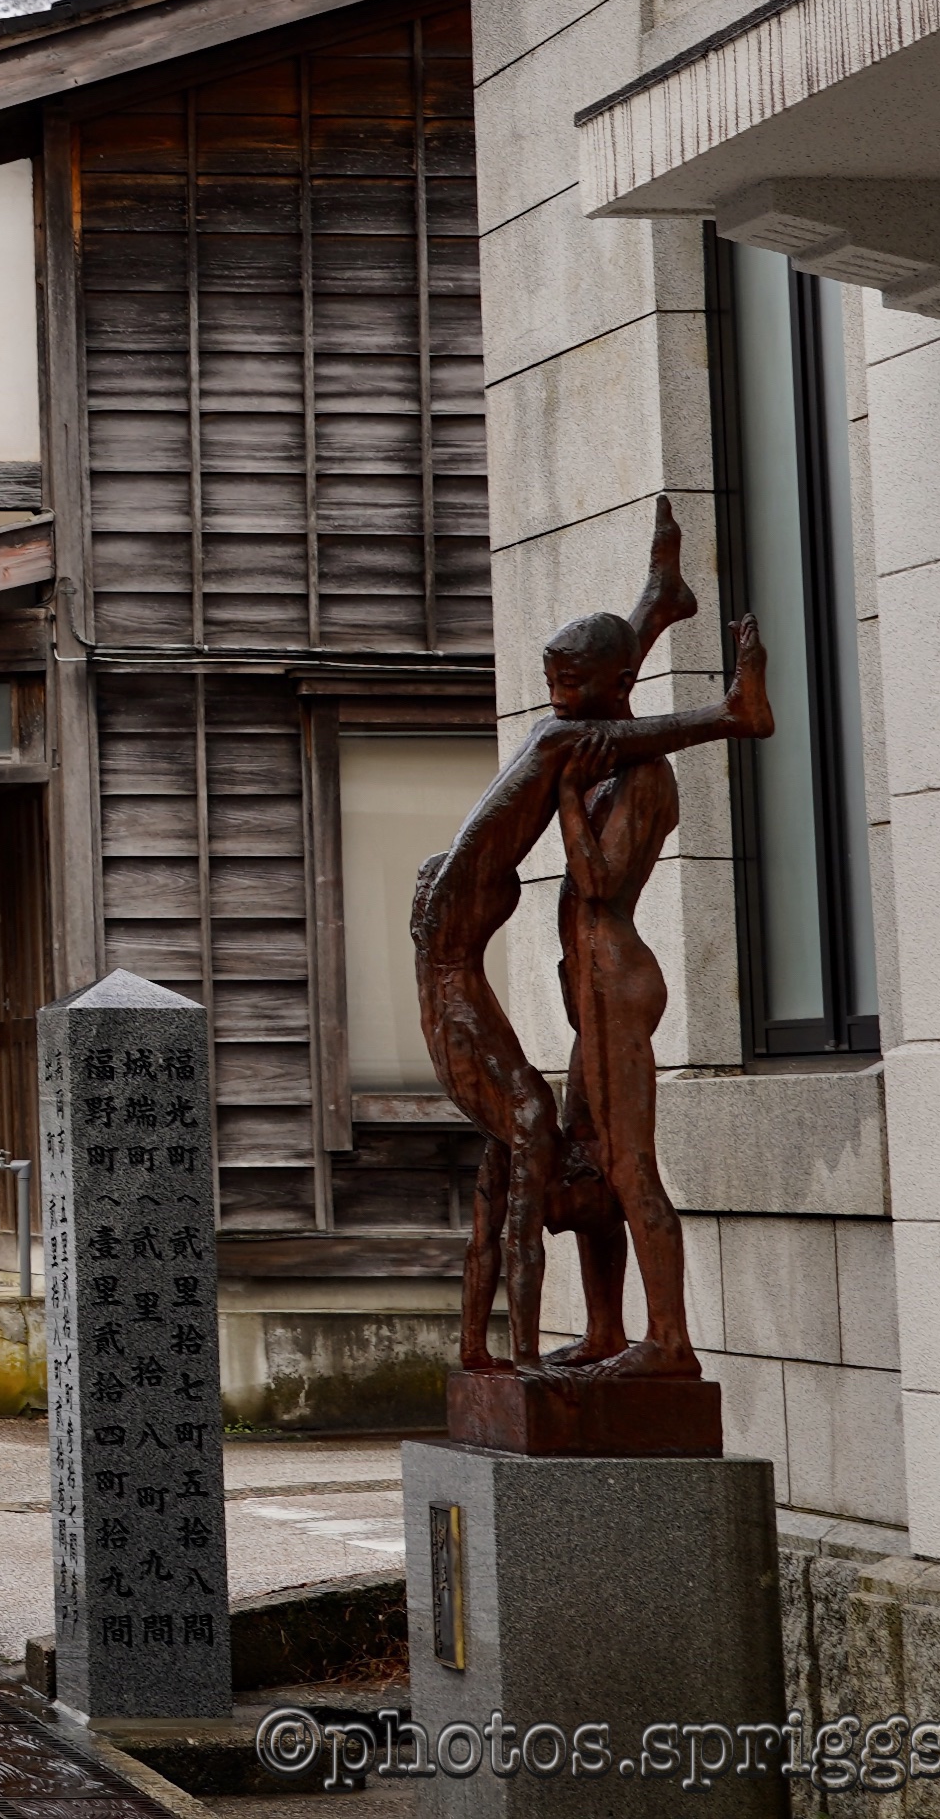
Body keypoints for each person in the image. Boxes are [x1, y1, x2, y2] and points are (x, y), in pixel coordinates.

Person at [412, 500, 768, 1372]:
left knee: (627, 1163)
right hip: (592, 981)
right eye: (556, 679)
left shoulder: (635, 779)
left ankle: (668, 1341)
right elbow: (606, 698)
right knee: (595, 1166)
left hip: (614, 975)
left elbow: (601, 881)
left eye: (575, 683)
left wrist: (568, 803)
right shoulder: (607, 738)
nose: (561, 697)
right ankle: (609, 1329)